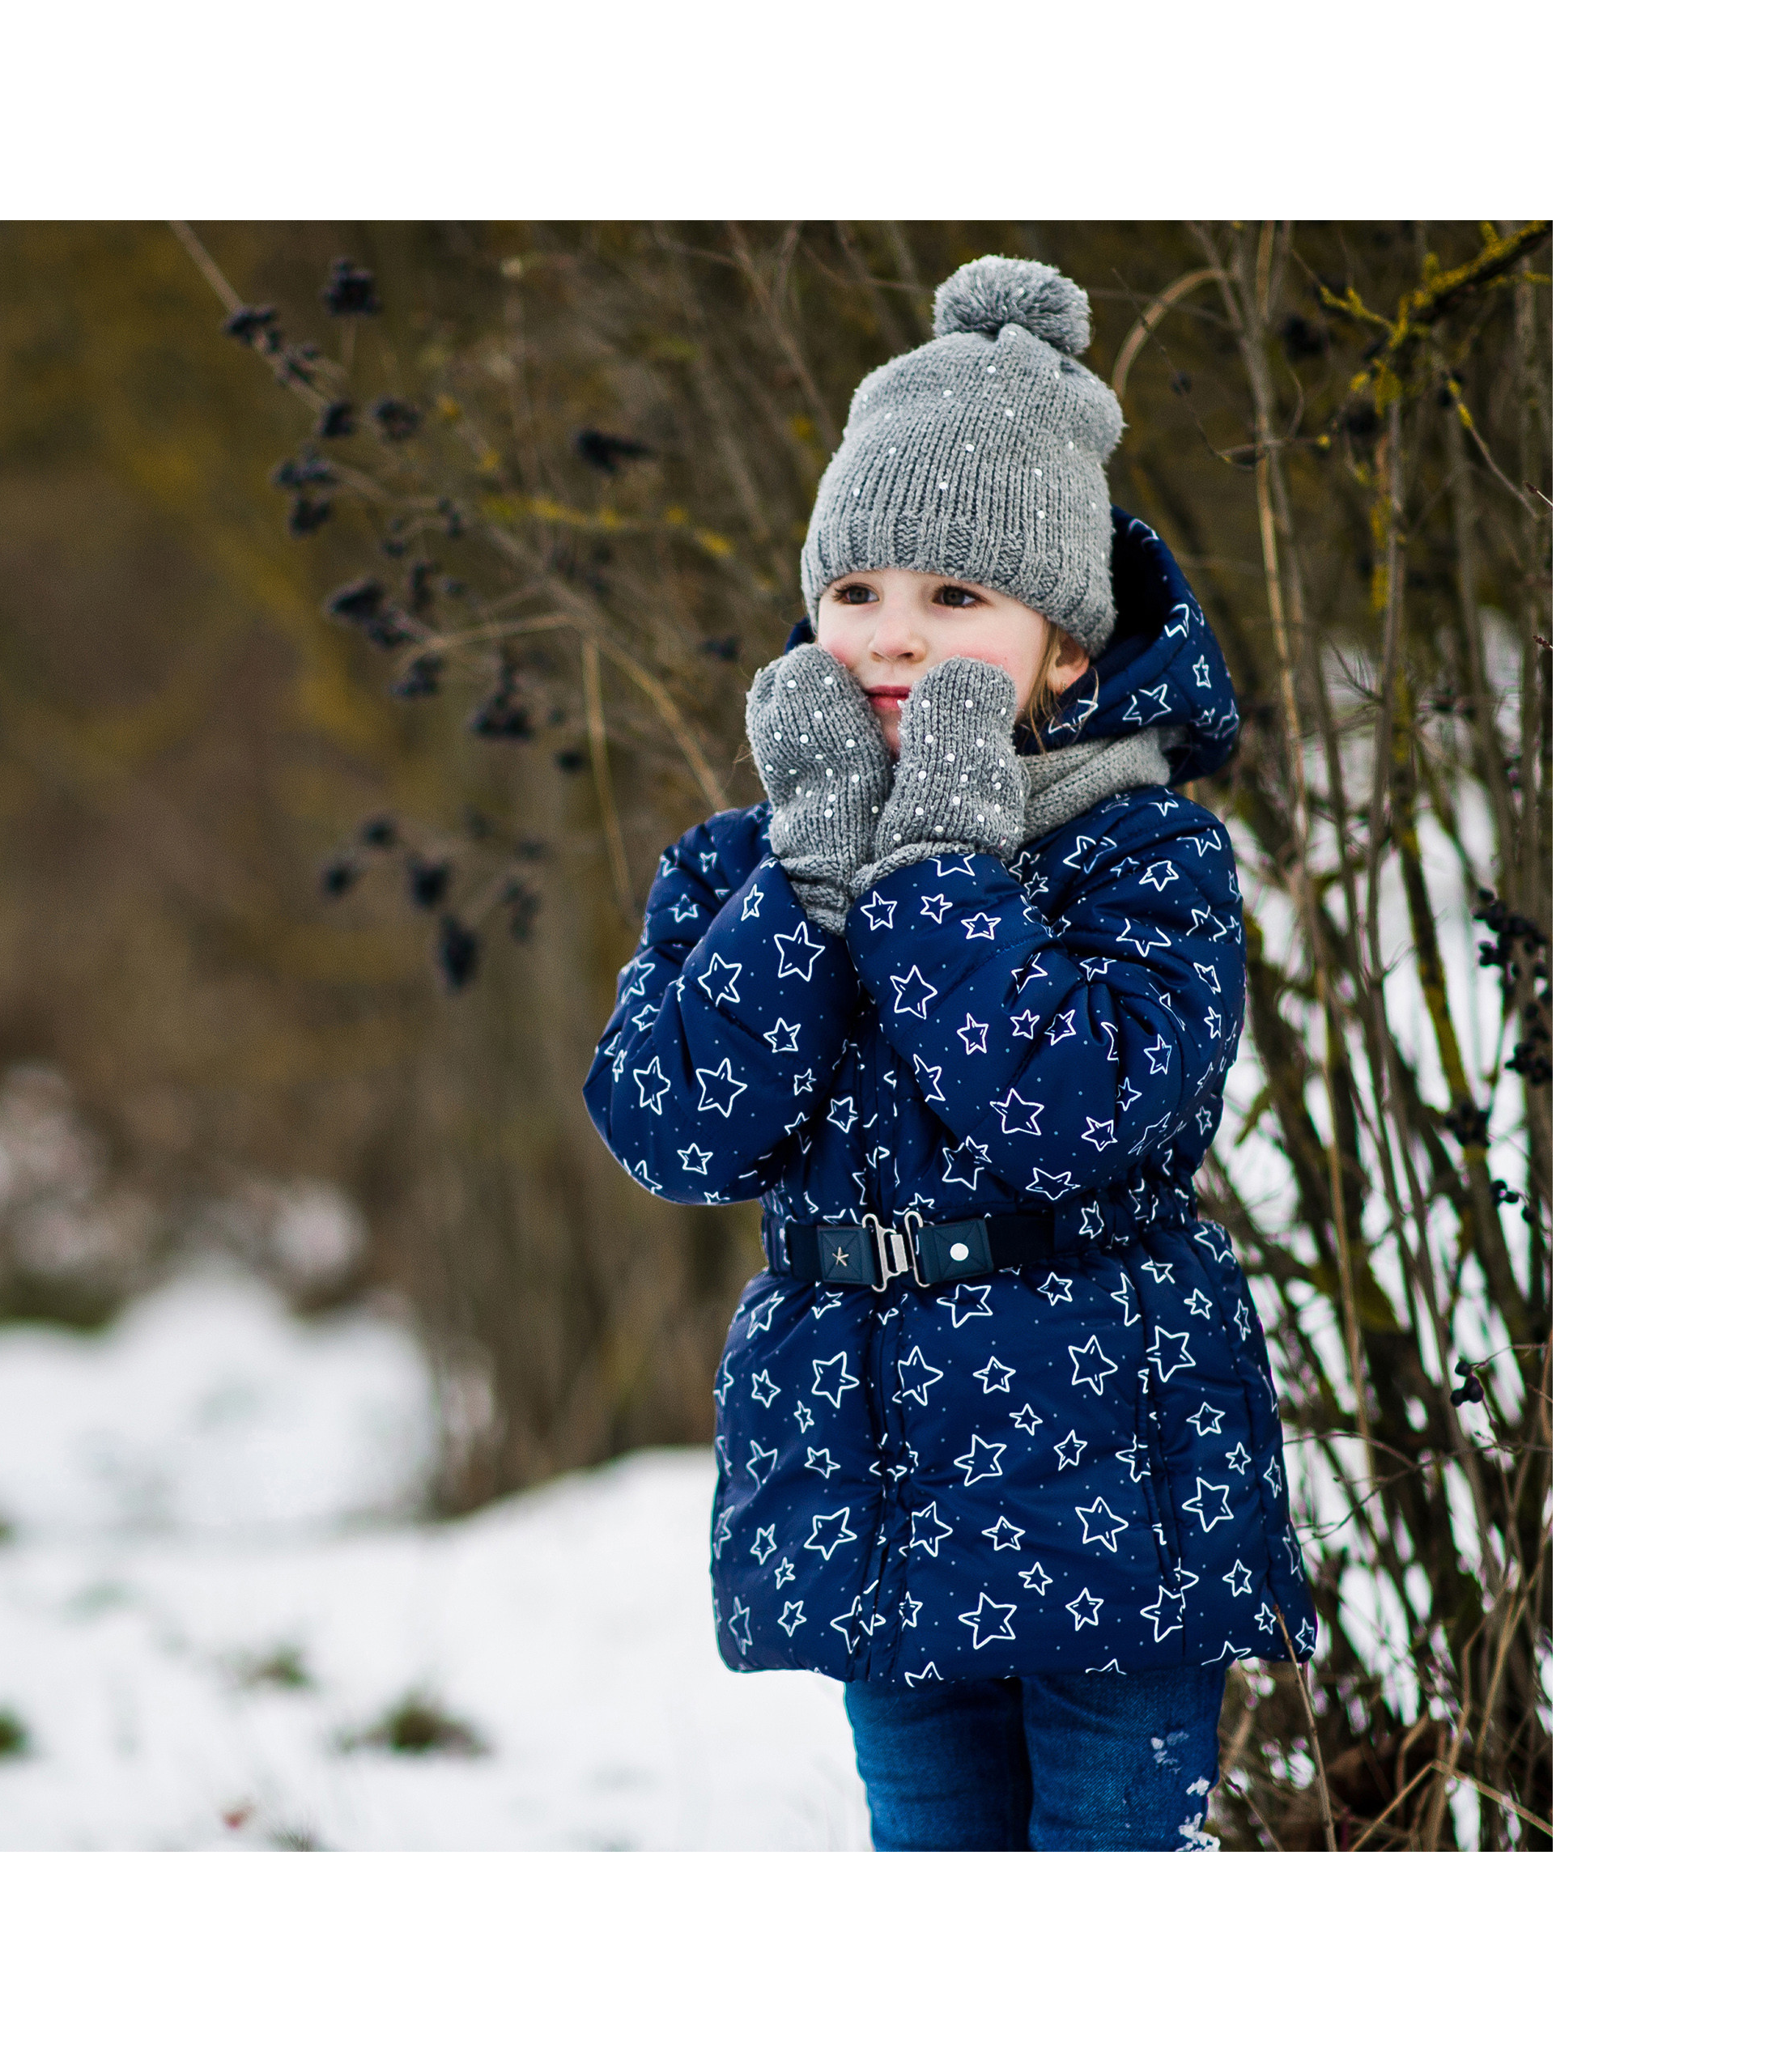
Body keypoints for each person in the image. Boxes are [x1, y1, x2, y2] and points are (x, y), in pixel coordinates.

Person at [583, 255, 1316, 1852]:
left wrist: (933, 872)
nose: (892, 638)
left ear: (1066, 649)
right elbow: (674, 1128)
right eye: (856, 593)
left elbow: (1079, 1112)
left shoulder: (1145, 857)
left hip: (1110, 1488)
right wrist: (809, 879)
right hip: (871, 1489)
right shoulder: (743, 867)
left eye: (956, 600)